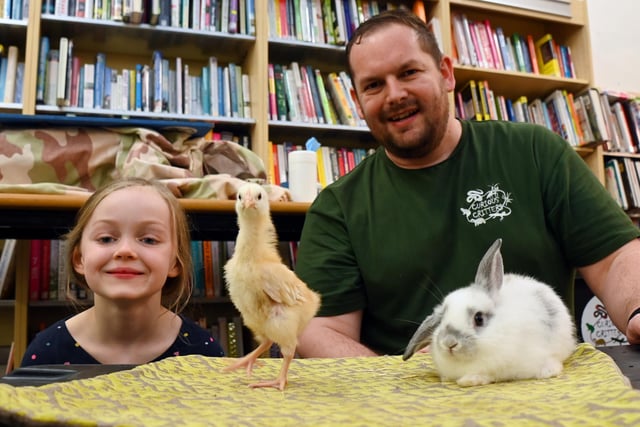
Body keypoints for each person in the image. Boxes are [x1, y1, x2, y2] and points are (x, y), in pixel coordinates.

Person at [294, 9, 640, 358]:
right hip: (407, 403)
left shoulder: (535, 152)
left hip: (539, 385)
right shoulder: (336, 208)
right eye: (373, 85)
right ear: (357, 102)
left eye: (409, 72)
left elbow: (614, 259)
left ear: (446, 73)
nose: (394, 94)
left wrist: (637, 308)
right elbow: (321, 330)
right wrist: (399, 387)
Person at [21, 177, 224, 366]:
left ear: (175, 263)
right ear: (79, 259)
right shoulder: (46, 353)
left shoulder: (204, 354)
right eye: (106, 239)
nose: (125, 251)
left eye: (149, 240)